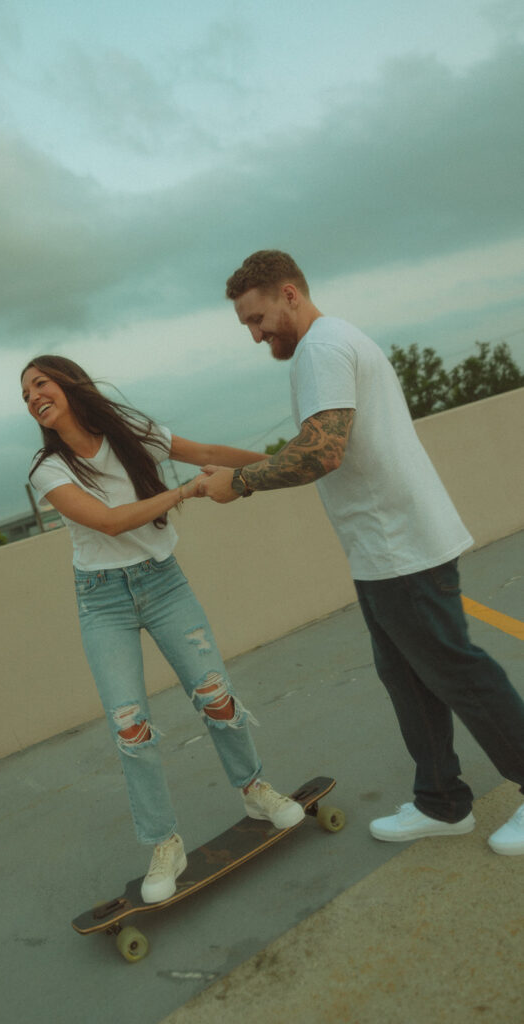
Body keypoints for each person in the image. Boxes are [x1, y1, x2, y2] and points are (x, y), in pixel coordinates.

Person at [200, 249, 524, 856]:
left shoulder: (322, 349)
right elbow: (315, 447)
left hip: (402, 548)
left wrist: (241, 485)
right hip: (382, 552)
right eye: (245, 323)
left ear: (289, 294)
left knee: (458, 671)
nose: (254, 333)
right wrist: (235, 467)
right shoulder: (329, 345)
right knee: (407, 678)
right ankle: (442, 803)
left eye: (257, 317)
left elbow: (323, 453)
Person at [20, 354, 304, 902]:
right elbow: (105, 522)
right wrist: (185, 493)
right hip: (103, 601)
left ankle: (254, 790)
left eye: (40, 382)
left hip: (163, 584)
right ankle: (164, 843)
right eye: (25, 394)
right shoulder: (47, 469)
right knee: (130, 727)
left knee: (215, 694)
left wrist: (289, 464)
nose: (32, 396)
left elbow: (208, 454)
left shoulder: (133, 433)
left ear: (69, 383)